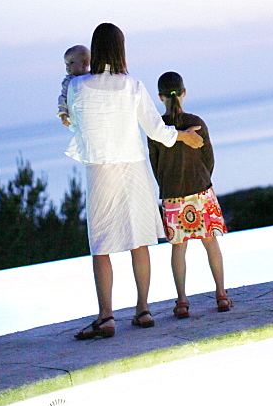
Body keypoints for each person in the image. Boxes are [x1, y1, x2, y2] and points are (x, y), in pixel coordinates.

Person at [66, 23, 203, 339]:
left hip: (101, 170)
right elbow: (155, 130)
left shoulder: (78, 86)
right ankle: (143, 310)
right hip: (134, 169)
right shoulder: (133, 86)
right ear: (121, 49)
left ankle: (107, 316)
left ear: (94, 49)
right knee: (138, 240)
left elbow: (74, 122)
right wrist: (182, 136)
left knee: (101, 245)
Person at [148, 71, 232, 318]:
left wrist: (167, 185)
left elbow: (155, 166)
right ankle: (221, 295)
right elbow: (209, 159)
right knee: (211, 244)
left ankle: (182, 301)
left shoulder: (157, 129)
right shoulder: (196, 121)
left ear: (160, 96)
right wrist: (203, 180)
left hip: (172, 194)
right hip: (201, 189)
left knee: (178, 249)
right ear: (184, 92)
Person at [57, 44, 90, 127]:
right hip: (76, 118)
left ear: (85, 63)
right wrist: (63, 114)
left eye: (71, 62)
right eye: (66, 64)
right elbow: (63, 98)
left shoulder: (92, 78)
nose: (68, 67)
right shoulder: (68, 81)